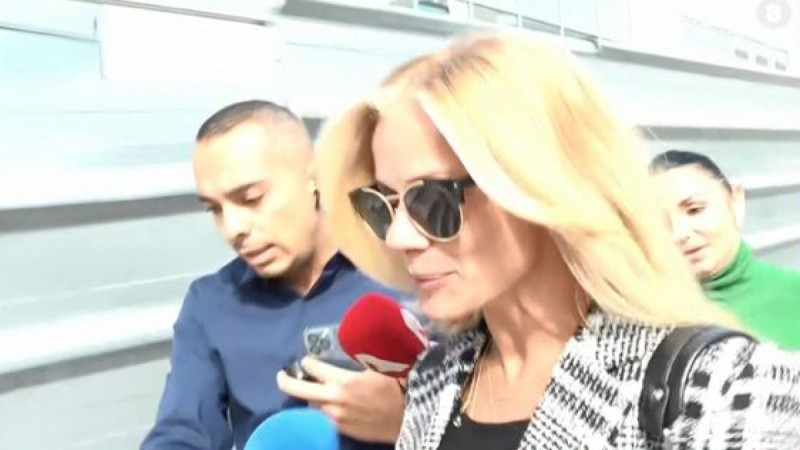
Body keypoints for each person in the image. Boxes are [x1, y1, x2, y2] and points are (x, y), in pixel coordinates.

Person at [312, 32, 800, 450]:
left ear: (538, 183)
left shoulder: (723, 388)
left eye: (432, 198)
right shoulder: (433, 379)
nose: (399, 237)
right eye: (381, 205)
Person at [141, 100, 406, 450]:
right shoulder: (210, 304)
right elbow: (182, 432)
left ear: (314, 176)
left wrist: (403, 421)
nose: (233, 228)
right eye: (215, 209)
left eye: (251, 198)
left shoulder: (412, 274)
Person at [650, 149, 800, 349]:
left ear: (736, 202)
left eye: (695, 210)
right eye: (661, 223)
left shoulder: (793, 295)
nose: (679, 233)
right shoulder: (650, 320)